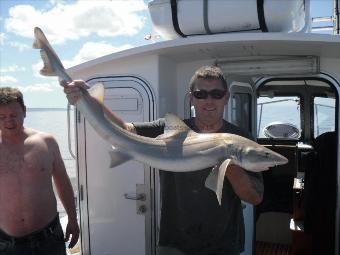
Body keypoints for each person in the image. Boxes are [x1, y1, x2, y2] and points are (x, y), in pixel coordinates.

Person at [62, 65, 263, 255]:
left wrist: (229, 164)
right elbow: (125, 129)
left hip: (223, 245)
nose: (208, 101)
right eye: (201, 94)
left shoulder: (241, 140)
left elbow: (254, 198)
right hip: (174, 242)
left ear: (226, 97)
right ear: (191, 98)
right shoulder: (170, 130)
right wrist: (86, 99)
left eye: (216, 94)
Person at [0, 87, 79, 255]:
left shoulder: (46, 142)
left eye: (14, 115)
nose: (9, 122)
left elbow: (63, 183)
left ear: (25, 112)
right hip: (7, 244)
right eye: (2, 117)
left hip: (49, 237)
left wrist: (72, 219)